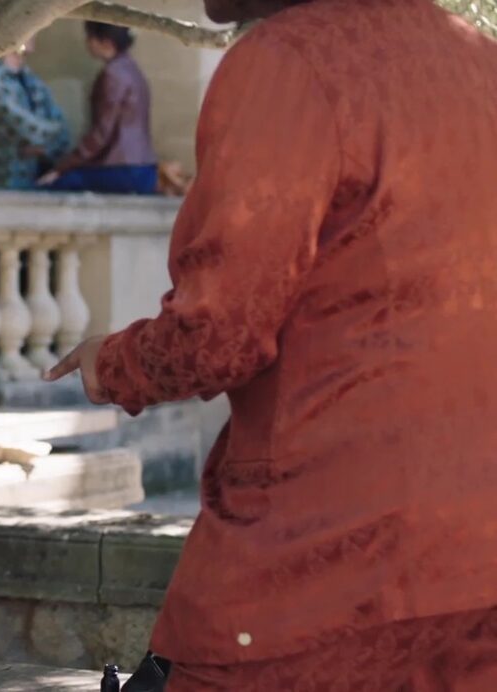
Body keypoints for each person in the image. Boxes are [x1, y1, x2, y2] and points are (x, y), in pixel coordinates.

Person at [46, 0, 497, 689]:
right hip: (473, 559)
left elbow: (218, 333)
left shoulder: (291, 61)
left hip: (324, 554)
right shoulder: (480, 62)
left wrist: (112, 363)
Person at [38, 22, 158, 194]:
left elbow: (101, 133)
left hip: (122, 169)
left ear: (106, 43)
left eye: (90, 37)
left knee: (51, 185)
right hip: (145, 169)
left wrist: (62, 167)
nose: (87, 43)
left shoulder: (113, 74)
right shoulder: (132, 69)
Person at [0, 37, 71, 189]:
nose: (34, 34)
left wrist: (45, 148)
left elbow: (62, 129)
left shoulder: (30, 77)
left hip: (34, 180)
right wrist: (47, 141)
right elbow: (27, 129)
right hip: (3, 183)